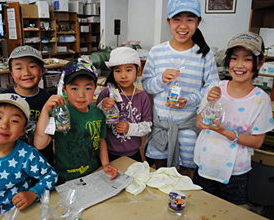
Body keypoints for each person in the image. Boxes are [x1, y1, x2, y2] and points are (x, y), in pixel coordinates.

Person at [193, 31, 274, 205]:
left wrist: (225, 131)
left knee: (230, 212)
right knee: (200, 208)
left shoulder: (261, 99)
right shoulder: (215, 88)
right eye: (234, 58)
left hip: (235, 171)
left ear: (260, 63)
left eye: (247, 59)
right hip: (205, 164)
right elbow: (200, 124)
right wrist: (210, 102)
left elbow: (258, 142)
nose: (239, 65)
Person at [141, 0, 219, 177]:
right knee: (159, 170)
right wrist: (161, 80)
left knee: (186, 172)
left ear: (198, 23)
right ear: (168, 22)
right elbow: (146, 84)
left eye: (190, 20)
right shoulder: (156, 52)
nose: (183, 26)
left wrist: (189, 100)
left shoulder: (205, 55)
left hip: (188, 127)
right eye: (177, 19)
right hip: (161, 126)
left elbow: (212, 89)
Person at [34, 58, 118, 185]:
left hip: (93, 173)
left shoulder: (98, 114)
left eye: (88, 88)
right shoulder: (59, 114)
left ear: (95, 88)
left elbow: (101, 140)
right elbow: (40, 144)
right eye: (74, 88)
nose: (81, 95)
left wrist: (105, 164)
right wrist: (46, 110)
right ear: (64, 89)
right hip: (66, 178)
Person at [0, 93, 58, 219]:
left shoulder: (27, 154)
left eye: (14, 121)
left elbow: (51, 175)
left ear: (23, 130)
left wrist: (34, 193)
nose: (4, 125)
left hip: (20, 213)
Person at [96, 47, 152, 162]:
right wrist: (102, 106)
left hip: (133, 153)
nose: (123, 75)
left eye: (128, 70)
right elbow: (96, 119)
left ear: (138, 71)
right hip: (107, 152)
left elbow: (147, 126)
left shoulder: (142, 97)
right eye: (118, 71)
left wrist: (130, 128)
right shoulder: (107, 92)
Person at [1, 45, 54, 166]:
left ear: (42, 70)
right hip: (12, 162)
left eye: (32, 66)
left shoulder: (49, 100)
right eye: (19, 68)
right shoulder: (3, 99)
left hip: (42, 160)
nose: (26, 72)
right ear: (12, 74)